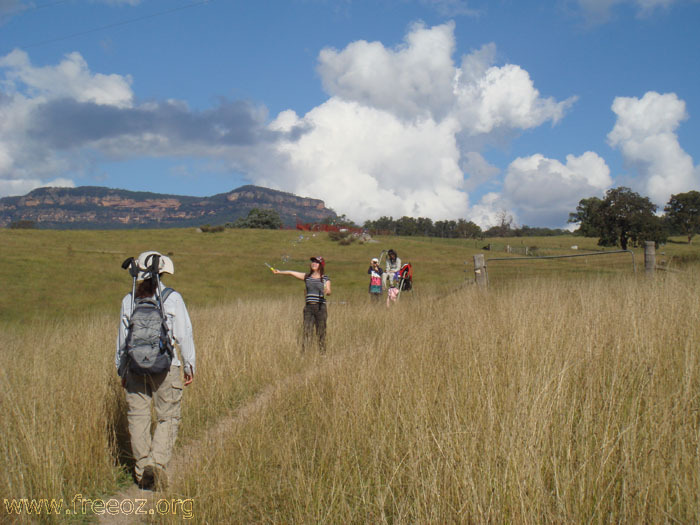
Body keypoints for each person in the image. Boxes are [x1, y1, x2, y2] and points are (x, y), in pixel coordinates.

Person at [115, 251, 195, 490]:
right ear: (163, 272)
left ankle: (141, 472)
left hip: (135, 367)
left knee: (137, 417)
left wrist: (122, 370)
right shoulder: (173, 299)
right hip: (167, 365)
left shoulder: (129, 300)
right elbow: (184, 334)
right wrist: (190, 365)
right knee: (168, 416)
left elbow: (122, 340)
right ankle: (156, 464)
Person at [273, 256, 331, 352]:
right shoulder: (307, 277)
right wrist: (279, 272)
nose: (314, 264)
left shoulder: (325, 278)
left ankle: (322, 353)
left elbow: (329, 291)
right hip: (308, 308)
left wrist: (327, 291)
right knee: (307, 331)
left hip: (320, 308)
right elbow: (291, 273)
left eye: (316, 262)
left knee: (321, 332)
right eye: (313, 262)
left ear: (321, 265)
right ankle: (305, 353)